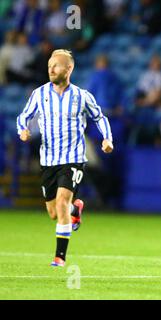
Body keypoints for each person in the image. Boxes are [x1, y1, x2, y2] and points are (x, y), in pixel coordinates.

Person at [16, 49, 114, 267]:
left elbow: (100, 117)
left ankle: (60, 256)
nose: (51, 69)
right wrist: (22, 130)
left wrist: (107, 138)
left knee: (61, 202)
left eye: (56, 65)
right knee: (54, 212)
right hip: (48, 160)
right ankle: (74, 209)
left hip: (73, 158)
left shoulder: (81, 96)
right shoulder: (40, 94)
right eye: (49, 65)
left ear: (69, 69)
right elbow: (24, 116)